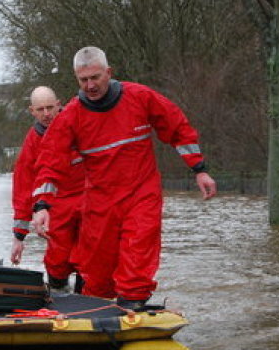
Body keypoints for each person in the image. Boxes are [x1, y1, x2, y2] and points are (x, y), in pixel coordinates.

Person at [31, 47, 216, 311]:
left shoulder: (140, 97)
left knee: (137, 254)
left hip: (142, 194)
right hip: (100, 202)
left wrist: (199, 169)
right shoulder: (71, 116)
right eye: (83, 80)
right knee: (97, 272)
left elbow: (176, 127)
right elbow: (49, 163)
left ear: (109, 72)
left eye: (95, 77)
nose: (90, 85)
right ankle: (96, 308)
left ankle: (133, 302)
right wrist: (42, 206)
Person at [10, 86, 85, 291]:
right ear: (32, 111)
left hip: (89, 202)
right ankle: (60, 296)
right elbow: (23, 190)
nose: (46, 114)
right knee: (57, 262)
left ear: (59, 105)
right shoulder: (32, 144)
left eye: (50, 107)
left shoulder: (80, 126)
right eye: (40, 109)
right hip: (56, 208)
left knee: (89, 259)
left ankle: (88, 299)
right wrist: (19, 236)